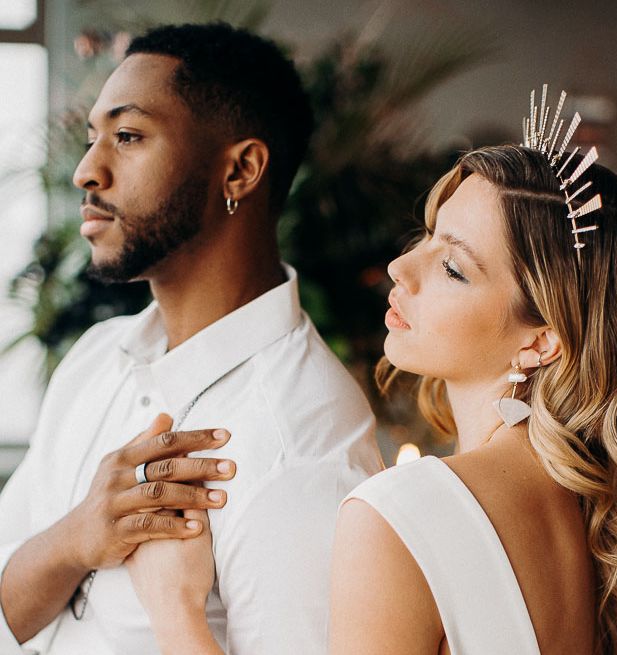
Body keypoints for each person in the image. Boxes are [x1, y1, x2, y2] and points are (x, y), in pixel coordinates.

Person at [128, 89, 617, 654]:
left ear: (543, 339)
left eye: (452, 267)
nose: (401, 266)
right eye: (428, 235)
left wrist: (174, 610)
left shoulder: (401, 514)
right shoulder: (585, 513)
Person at [0, 22, 382, 655]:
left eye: (127, 137)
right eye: (94, 137)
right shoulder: (96, 358)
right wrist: (76, 537)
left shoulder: (302, 443)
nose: (86, 171)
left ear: (239, 171)